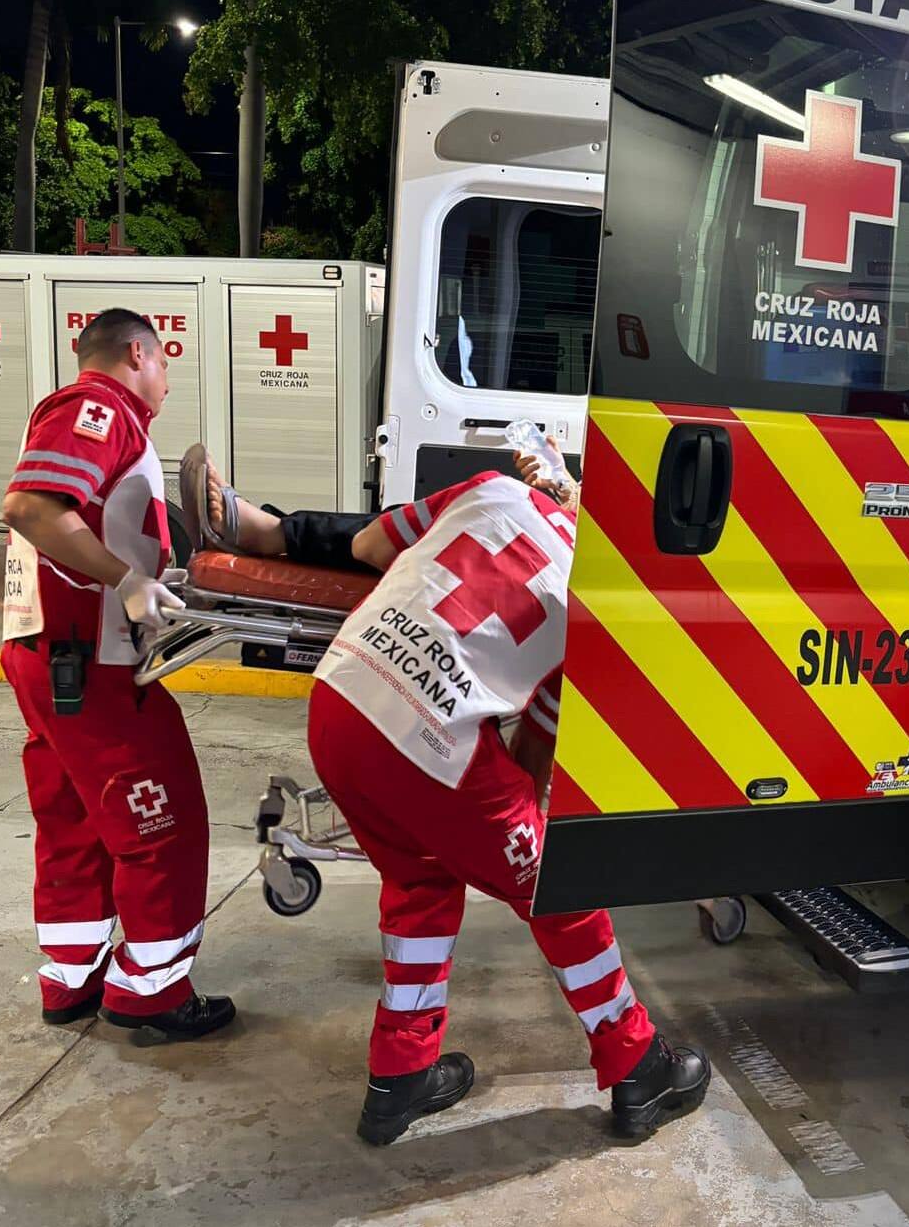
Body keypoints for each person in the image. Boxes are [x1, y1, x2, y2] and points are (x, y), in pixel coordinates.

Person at [191, 453, 710, 1144]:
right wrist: (524, 846)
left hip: (342, 701)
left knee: (419, 877)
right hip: (424, 740)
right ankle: (638, 1063)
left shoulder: (494, 489)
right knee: (560, 887)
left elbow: (373, 544)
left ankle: (400, 1076)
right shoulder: (599, 599)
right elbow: (536, 752)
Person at [0, 308, 234, 1040]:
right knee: (160, 822)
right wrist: (125, 580)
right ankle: (153, 992)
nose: (165, 382)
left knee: (74, 821)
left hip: (54, 657)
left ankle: (71, 978)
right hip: (86, 660)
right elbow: (32, 507)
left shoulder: (75, 413)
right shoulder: (101, 409)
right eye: (164, 364)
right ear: (140, 352)